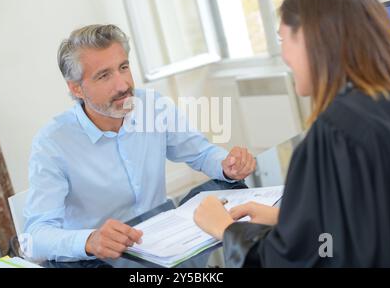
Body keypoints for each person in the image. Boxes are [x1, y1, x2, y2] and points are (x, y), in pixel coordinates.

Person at [194, 0, 390, 267]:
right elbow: (369, 223)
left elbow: (293, 262)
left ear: (310, 38)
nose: (284, 55)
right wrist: (290, 221)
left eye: (283, 39)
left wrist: (225, 229)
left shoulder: (335, 132)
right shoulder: (388, 103)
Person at [23, 24, 256, 265]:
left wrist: (227, 165)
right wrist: (89, 240)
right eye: (104, 75)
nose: (123, 85)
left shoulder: (152, 106)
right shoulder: (52, 143)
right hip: (101, 261)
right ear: (76, 88)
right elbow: (35, 235)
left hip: (166, 244)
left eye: (123, 67)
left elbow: (201, 153)